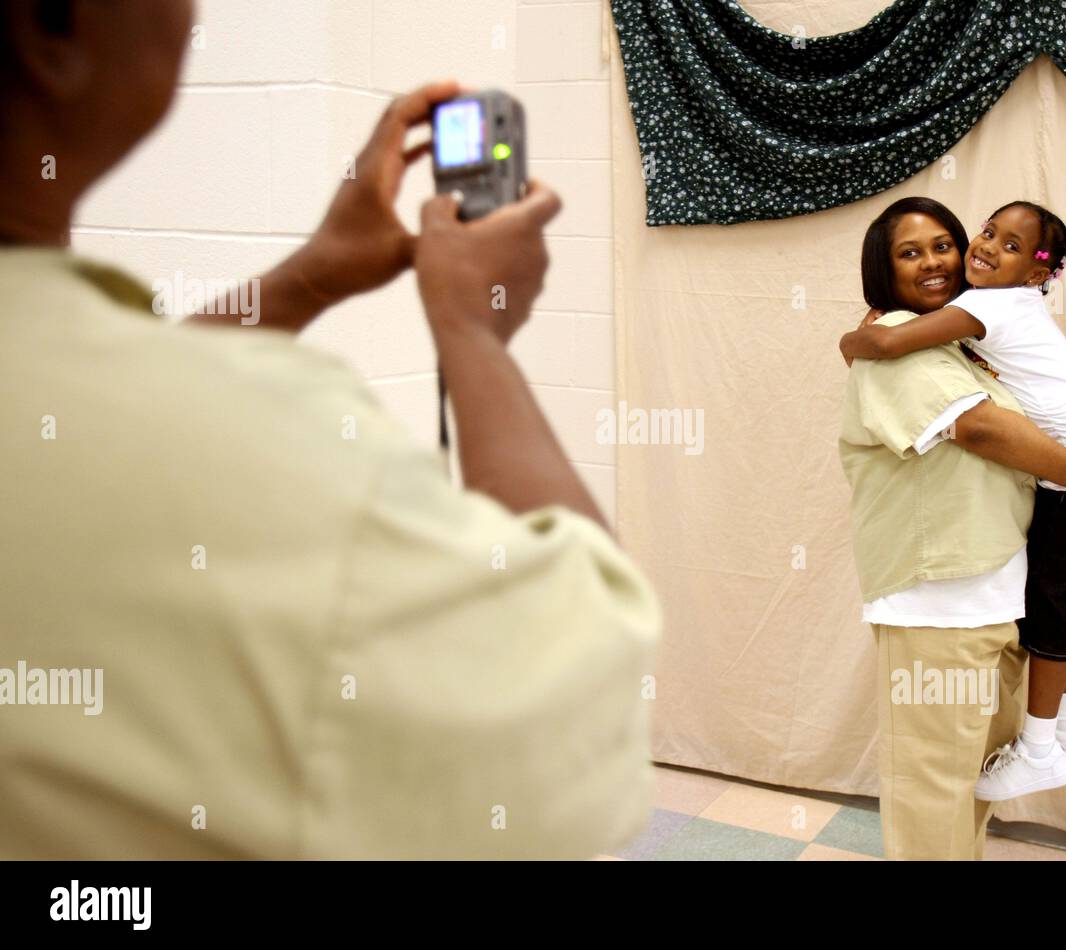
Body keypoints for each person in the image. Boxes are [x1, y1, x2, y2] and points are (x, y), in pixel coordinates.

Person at [0, 0, 660, 859]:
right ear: (52, 31)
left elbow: (84, 421)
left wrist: (310, 278)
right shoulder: (276, 446)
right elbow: (586, 703)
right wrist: (472, 333)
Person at [839, 196, 1066, 859]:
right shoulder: (896, 341)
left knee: (965, 791)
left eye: (941, 244)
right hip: (940, 605)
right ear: (881, 270)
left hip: (994, 599)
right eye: (910, 253)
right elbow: (982, 428)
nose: (937, 261)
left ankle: (1061, 724)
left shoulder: (966, 339)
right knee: (934, 792)